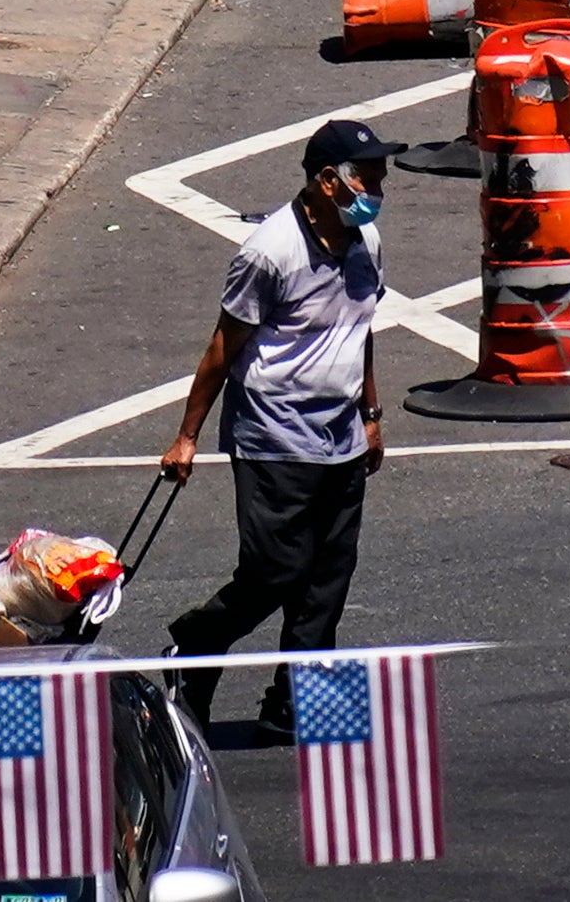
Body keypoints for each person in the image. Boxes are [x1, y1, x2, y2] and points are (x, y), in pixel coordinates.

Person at [158, 121, 394, 739]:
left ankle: (294, 701)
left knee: (327, 578)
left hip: (340, 434)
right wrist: (187, 436)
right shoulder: (270, 252)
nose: (378, 188)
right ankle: (197, 644)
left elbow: (359, 330)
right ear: (326, 181)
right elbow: (222, 348)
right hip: (274, 434)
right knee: (277, 570)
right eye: (367, 177)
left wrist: (371, 415)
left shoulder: (367, 240)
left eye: (380, 177)